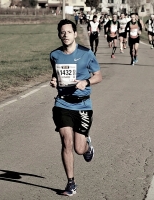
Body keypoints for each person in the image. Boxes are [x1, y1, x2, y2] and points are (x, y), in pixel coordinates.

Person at [49, 19, 102, 196]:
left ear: (75, 34)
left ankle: (88, 146)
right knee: (66, 142)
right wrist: (54, 81)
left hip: (83, 105)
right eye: (62, 32)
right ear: (59, 34)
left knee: (79, 149)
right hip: (62, 103)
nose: (65, 35)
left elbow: (98, 76)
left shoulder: (86, 54)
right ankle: (71, 183)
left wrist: (86, 81)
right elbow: (56, 75)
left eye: (68, 32)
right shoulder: (55, 55)